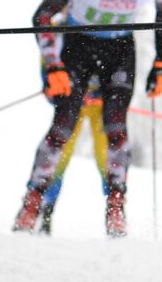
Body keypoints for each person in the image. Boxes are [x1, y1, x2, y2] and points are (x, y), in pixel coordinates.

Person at [12, 0, 162, 237]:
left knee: (116, 126)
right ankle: (33, 202)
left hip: (120, 51)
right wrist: (53, 65)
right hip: (79, 47)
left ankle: (116, 207)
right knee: (64, 125)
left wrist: (160, 63)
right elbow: (42, 14)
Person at [36, 74, 112, 235]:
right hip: (74, 98)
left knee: (106, 157)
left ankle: (115, 210)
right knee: (60, 155)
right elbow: (50, 59)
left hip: (100, 104)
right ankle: (46, 212)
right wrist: (49, 83)